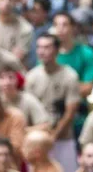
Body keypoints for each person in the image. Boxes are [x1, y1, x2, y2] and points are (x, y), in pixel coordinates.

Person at [25, 33, 81, 172]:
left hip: (63, 138)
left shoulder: (70, 76)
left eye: (47, 47)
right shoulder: (32, 76)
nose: (42, 51)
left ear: (57, 50)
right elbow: (28, 111)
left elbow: (70, 112)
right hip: (37, 141)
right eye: (39, 47)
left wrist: (53, 137)